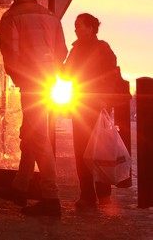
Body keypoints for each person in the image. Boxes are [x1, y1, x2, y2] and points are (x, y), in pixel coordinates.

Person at [0, 0, 68, 216]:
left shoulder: (11, 17)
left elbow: (11, 53)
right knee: (31, 133)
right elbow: (61, 52)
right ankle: (20, 186)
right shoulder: (50, 17)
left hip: (29, 82)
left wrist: (19, 78)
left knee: (37, 136)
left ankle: (51, 197)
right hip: (47, 81)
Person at [61, 13, 118, 208]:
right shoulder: (75, 49)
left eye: (80, 26)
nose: (76, 29)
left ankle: (103, 194)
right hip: (80, 105)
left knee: (99, 150)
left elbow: (113, 74)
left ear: (92, 28)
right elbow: (66, 74)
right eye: (75, 26)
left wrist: (105, 98)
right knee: (82, 151)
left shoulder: (103, 48)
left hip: (97, 105)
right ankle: (87, 195)